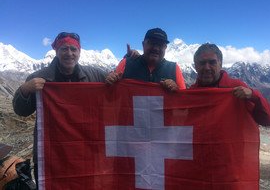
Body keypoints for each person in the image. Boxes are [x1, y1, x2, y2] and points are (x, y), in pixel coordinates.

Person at [12, 32, 107, 185]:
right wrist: (24, 90)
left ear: (79, 52)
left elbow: (119, 87)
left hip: (85, 151)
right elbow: (21, 111)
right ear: (56, 51)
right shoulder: (38, 77)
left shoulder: (95, 75)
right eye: (64, 49)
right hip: (51, 153)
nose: (69, 53)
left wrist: (131, 61)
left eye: (73, 49)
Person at [191, 42, 270, 126]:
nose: (207, 67)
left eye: (212, 62)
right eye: (202, 63)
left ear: (220, 64)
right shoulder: (192, 92)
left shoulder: (237, 87)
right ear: (195, 66)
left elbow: (268, 121)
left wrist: (254, 96)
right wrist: (177, 96)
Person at [106, 28, 186, 91]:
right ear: (143, 44)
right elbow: (110, 95)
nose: (156, 48)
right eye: (151, 43)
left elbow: (184, 102)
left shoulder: (174, 68)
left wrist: (177, 91)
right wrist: (110, 81)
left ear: (165, 48)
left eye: (160, 45)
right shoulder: (126, 63)